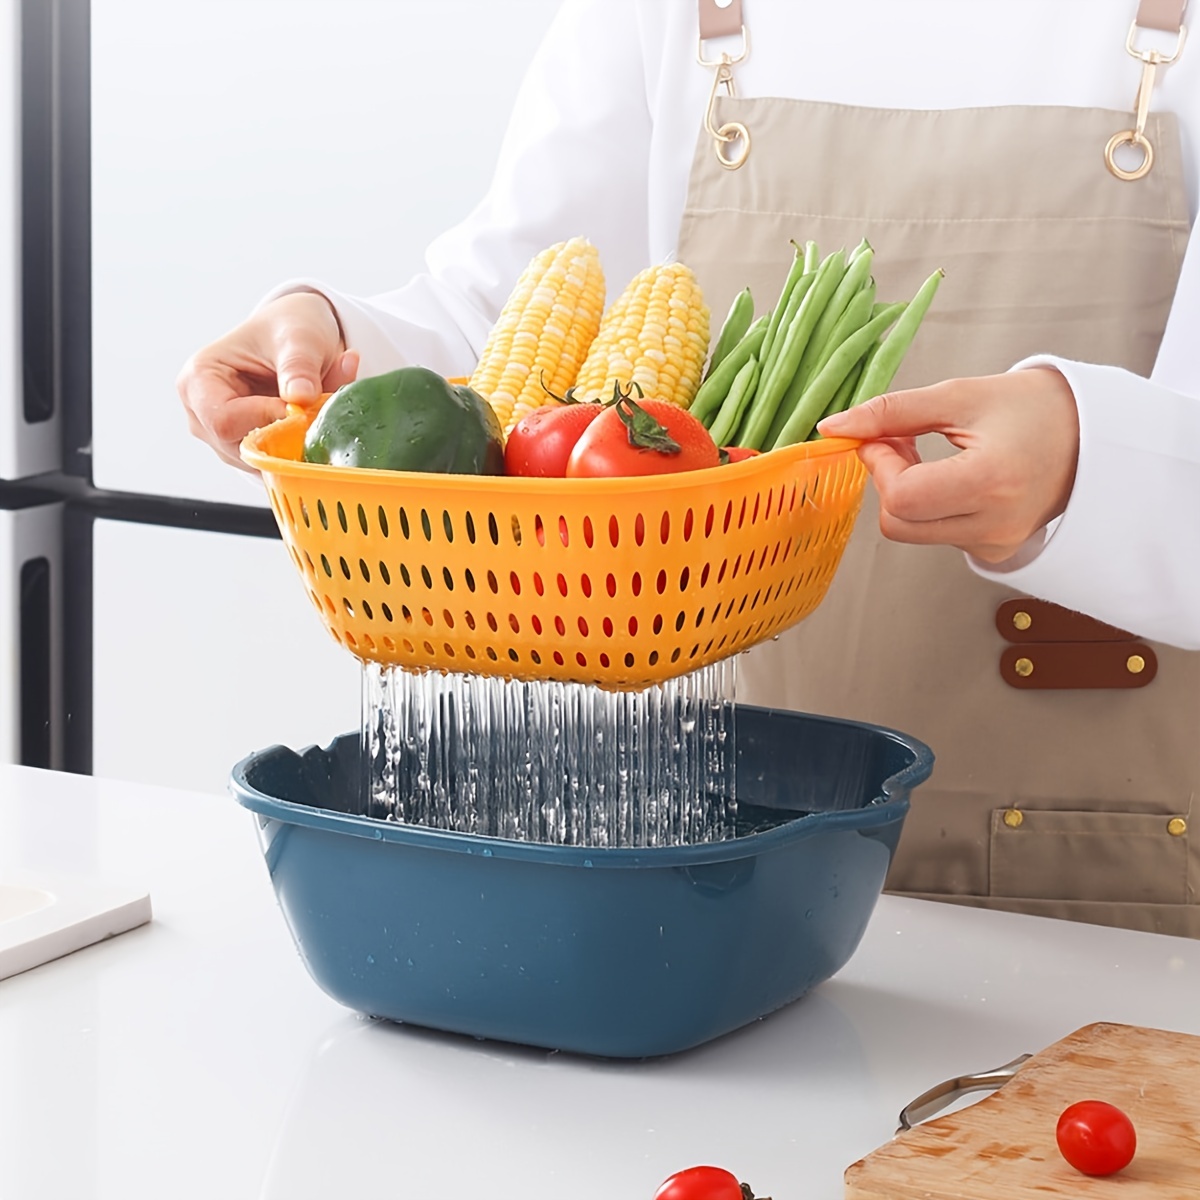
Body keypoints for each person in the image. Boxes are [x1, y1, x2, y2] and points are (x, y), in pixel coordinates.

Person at [178, 0, 1200, 937]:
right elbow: (507, 335)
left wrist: (1088, 461)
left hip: (1096, 851)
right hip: (730, 815)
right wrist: (327, 341)